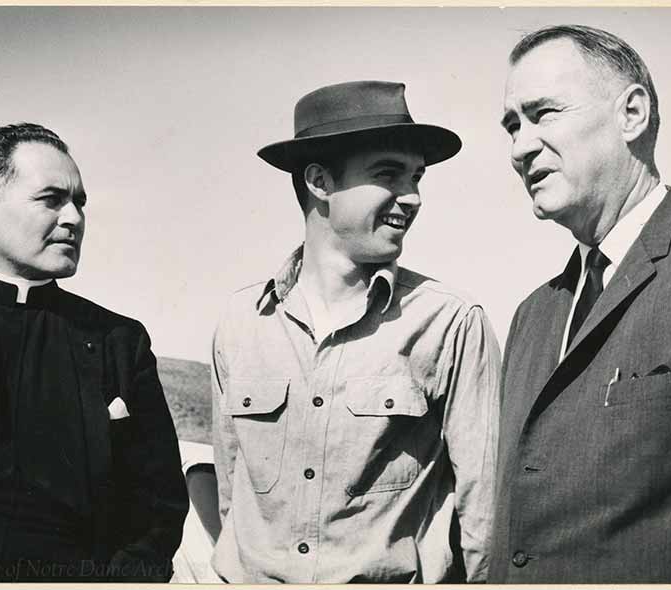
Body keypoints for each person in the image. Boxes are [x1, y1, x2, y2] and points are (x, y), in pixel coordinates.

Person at [210, 80, 501, 583]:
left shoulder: (451, 322)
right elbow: (232, 496)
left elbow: (485, 515)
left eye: (417, 178)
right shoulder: (241, 324)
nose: (411, 198)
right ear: (320, 182)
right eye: (389, 173)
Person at [0, 123, 189, 582]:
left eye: (79, 202)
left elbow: (159, 509)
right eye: (52, 199)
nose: (74, 218)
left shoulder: (121, 342)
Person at [491, 25, 671, 583]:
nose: (519, 147)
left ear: (632, 113)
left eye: (544, 113)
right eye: (512, 125)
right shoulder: (532, 316)